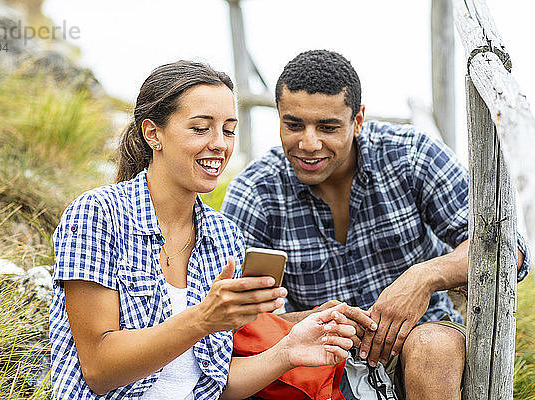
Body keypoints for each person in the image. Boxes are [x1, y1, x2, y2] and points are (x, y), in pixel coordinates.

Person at [49, 60, 373, 400]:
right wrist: (203, 318)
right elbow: (100, 370)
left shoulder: (225, 237)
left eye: (229, 129)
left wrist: (287, 351)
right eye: (201, 128)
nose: (220, 143)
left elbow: (217, 385)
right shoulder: (97, 215)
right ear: (152, 133)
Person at [221, 50, 531, 400]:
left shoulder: (411, 155)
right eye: (293, 125)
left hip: (421, 340)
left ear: (358, 120)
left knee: (432, 345)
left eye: (328, 127)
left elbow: (510, 251)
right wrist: (312, 319)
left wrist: (424, 277)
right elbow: (232, 319)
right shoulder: (255, 190)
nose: (308, 144)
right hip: (317, 361)